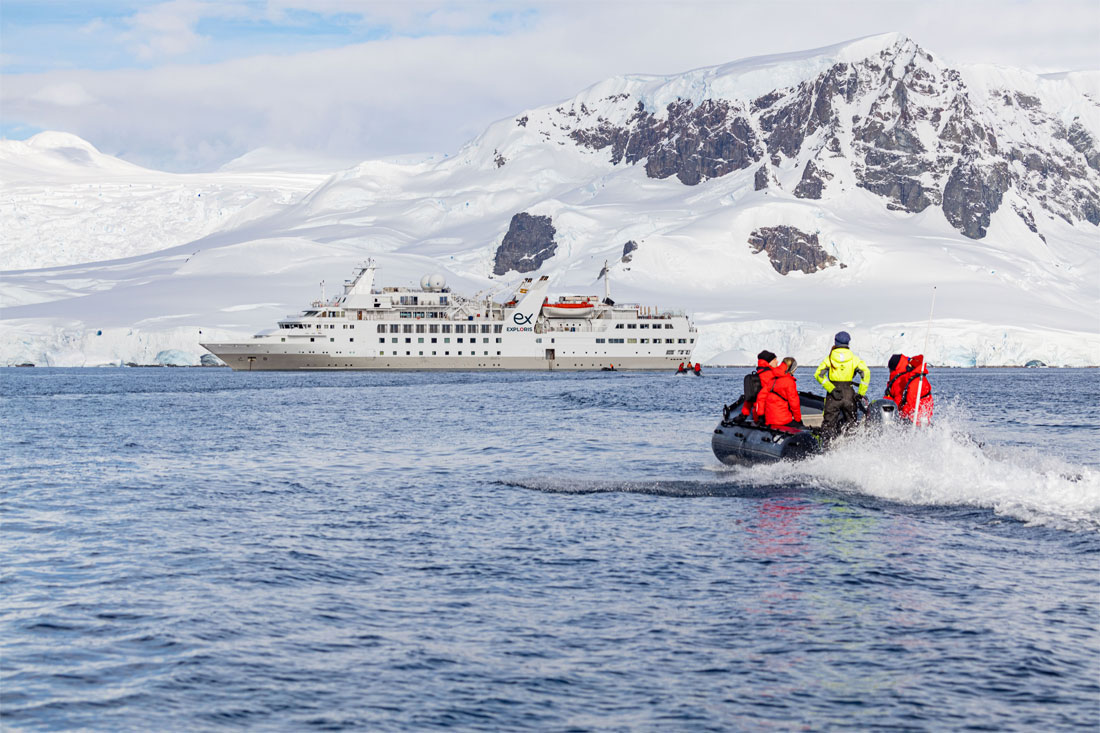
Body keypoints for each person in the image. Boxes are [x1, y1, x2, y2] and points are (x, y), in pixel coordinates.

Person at [814, 331, 870, 438]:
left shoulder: (829, 358)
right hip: (849, 393)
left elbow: (818, 374)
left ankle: (826, 449)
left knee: (828, 424)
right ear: (848, 343)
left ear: (835, 342)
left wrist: (831, 389)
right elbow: (866, 373)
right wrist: (861, 392)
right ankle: (851, 448)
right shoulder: (854, 359)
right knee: (852, 424)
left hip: (834, 394)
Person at [888, 353, 934, 425]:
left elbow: (910, 404)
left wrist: (900, 415)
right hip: (920, 416)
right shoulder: (918, 379)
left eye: (910, 365)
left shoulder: (916, 382)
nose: (907, 367)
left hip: (916, 419)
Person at [764, 357, 803, 429]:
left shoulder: (772, 379)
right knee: (802, 428)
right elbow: (794, 404)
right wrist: (798, 419)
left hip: (769, 420)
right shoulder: (789, 382)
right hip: (782, 420)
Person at [738, 350, 777, 422]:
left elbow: (749, 399)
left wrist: (744, 414)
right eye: (775, 360)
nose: (777, 362)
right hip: (772, 416)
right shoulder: (771, 376)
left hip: (758, 416)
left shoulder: (757, 376)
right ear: (769, 362)